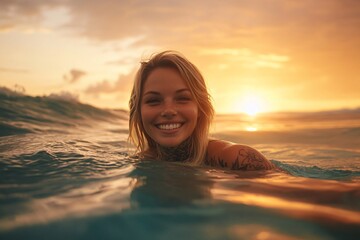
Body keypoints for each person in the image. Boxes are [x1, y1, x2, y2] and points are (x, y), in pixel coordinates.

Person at [128, 50, 274, 170]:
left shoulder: (238, 158)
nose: (169, 111)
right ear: (138, 112)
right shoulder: (139, 163)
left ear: (200, 108)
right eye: (153, 101)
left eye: (183, 98)